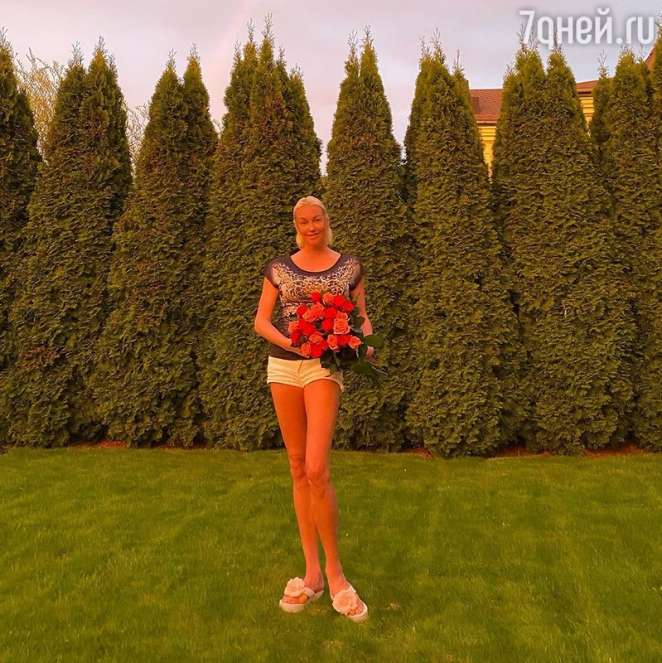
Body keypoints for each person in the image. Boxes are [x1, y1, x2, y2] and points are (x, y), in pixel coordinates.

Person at [253, 195, 373, 622]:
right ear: (296, 225)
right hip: (284, 367)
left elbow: (362, 318)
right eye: (303, 221)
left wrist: (360, 343)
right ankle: (312, 574)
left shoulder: (349, 267)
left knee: (318, 468)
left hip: (324, 368)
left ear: (326, 220)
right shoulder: (278, 268)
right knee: (298, 466)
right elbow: (261, 321)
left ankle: (336, 574)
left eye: (316, 219)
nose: (311, 227)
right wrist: (292, 342)